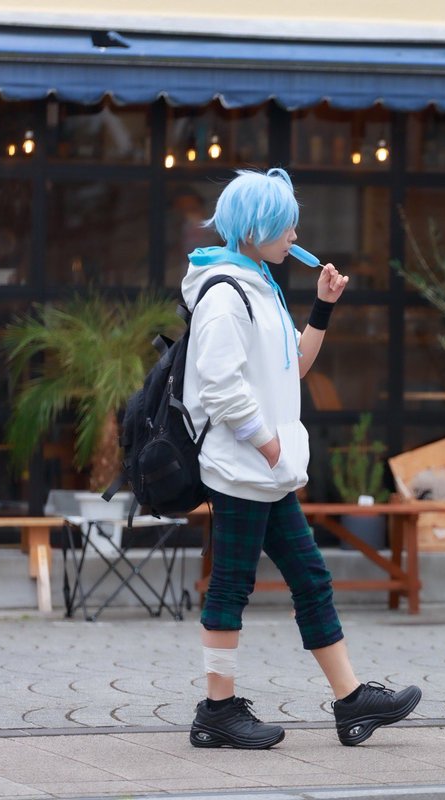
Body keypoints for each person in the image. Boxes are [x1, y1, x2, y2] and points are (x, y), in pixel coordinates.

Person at [180, 167, 421, 749]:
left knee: (311, 578)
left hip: (268, 471)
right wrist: (267, 444)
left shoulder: (260, 285)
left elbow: (297, 366)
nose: (294, 234)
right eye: (285, 225)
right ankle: (216, 712)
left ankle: (351, 700)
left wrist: (323, 308)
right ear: (253, 228)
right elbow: (219, 387)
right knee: (232, 585)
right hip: (243, 468)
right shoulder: (224, 293)